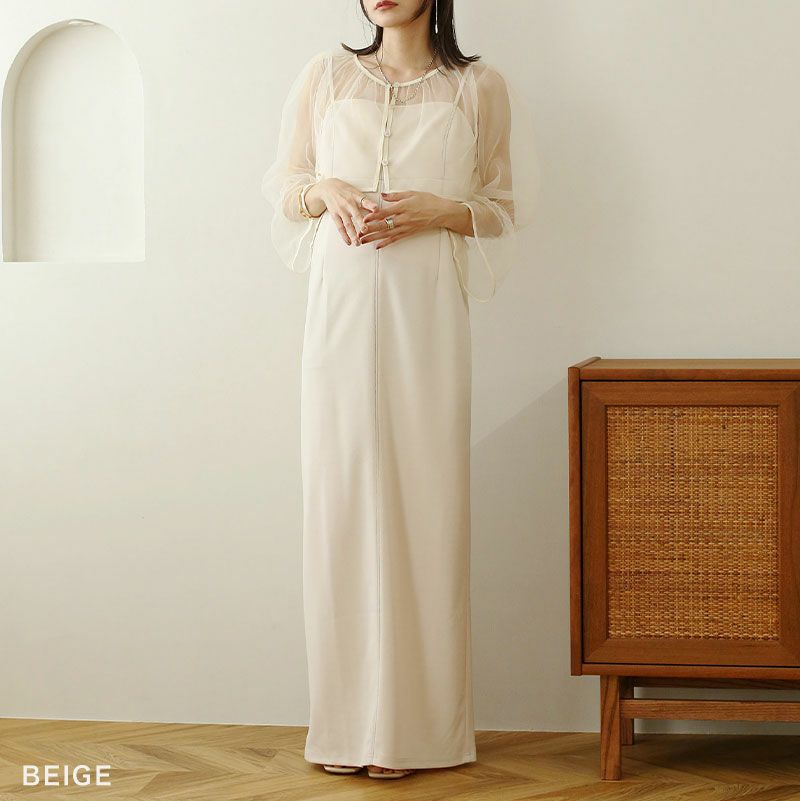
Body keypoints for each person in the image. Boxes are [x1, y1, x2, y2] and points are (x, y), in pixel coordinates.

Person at [261, 0, 539, 781]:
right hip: (341, 308)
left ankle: (417, 733)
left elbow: (505, 207)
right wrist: (327, 190)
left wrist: (441, 209)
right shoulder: (326, 76)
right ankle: (347, 727)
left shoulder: (478, 87)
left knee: (427, 500)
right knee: (342, 498)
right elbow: (285, 186)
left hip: (426, 310)